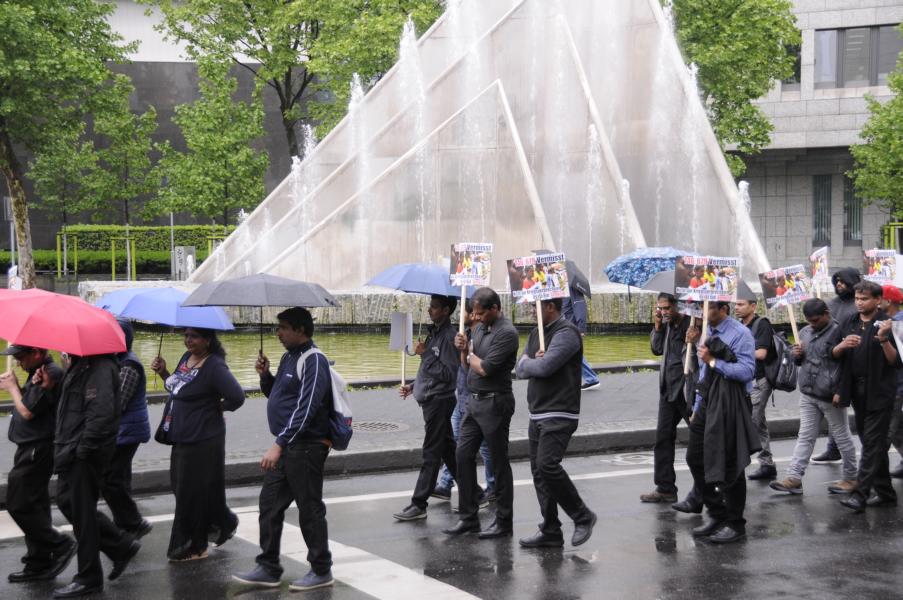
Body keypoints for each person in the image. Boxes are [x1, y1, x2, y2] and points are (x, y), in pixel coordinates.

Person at [232, 307, 335, 591]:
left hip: (306, 447)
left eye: (284, 328)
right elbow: (280, 395)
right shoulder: (289, 357)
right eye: (278, 328)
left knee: (309, 508)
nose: (278, 333)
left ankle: (321, 570)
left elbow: (307, 408)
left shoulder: (314, 360)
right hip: (289, 445)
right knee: (269, 504)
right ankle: (268, 567)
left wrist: (278, 443)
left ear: (300, 330)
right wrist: (266, 376)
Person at [151, 327, 245, 561]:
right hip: (181, 433)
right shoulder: (187, 358)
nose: (188, 340)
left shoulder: (214, 366)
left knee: (190, 492)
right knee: (181, 486)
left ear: (208, 340)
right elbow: (178, 387)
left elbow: (237, 396)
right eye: (186, 336)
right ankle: (224, 521)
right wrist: (164, 373)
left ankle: (194, 546)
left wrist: (217, 407)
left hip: (204, 438)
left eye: (194, 336)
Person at [53, 351, 141, 598]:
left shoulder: (100, 367)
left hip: (83, 452)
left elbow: (101, 413)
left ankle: (89, 577)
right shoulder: (81, 364)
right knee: (68, 502)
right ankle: (120, 545)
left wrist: (83, 450)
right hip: (71, 449)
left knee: (83, 515)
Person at [515, 299, 597, 548]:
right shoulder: (536, 333)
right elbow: (519, 369)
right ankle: (550, 530)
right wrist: (532, 363)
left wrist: (533, 363)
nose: (531, 311)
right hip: (537, 412)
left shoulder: (567, 333)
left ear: (550, 306)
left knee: (547, 465)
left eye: (535, 306)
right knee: (539, 473)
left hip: (559, 412)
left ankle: (583, 516)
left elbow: (544, 367)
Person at [444, 287, 519, 539]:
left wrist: (472, 356)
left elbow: (486, 368)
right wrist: (463, 350)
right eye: (474, 313)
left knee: (498, 461)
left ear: (495, 309)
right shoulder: (477, 329)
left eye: (480, 313)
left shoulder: (507, 333)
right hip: (473, 402)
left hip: (495, 403)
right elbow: (467, 365)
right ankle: (468, 518)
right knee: (462, 455)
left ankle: (504, 521)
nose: (475, 317)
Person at [0, 345, 76, 583]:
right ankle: (38, 561)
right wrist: (21, 385)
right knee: (35, 504)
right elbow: (32, 403)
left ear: (36, 352)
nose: (18, 362)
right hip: (30, 446)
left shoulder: (51, 372)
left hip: (38, 447)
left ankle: (59, 544)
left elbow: (28, 412)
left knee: (18, 503)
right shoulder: (39, 371)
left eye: (21, 357)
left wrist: (12, 388)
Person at [684, 301, 758, 544]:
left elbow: (746, 371)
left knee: (731, 463)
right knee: (695, 458)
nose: (702, 312)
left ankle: (735, 523)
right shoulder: (707, 330)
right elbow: (703, 373)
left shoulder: (740, 333)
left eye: (707, 307)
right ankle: (717, 512)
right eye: (700, 307)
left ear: (723, 308)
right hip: (707, 402)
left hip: (731, 403)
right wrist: (697, 406)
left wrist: (714, 361)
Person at [769, 299, 858, 495]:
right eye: (809, 321)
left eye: (816, 320)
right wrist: (797, 354)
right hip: (808, 392)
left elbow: (847, 366)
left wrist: (841, 392)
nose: (812, 324)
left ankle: (851, 477)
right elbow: (802, 361)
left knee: (842, 437)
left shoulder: (839, 332)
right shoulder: (805, 332)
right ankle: (794, 477)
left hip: (830, 394)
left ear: (827, 313)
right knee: (805, 436)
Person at [832, 281, 899, 513]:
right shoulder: (850, 321)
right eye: (857, 299)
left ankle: (860, 495)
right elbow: (833, 352)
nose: (859, 303)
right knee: (872, 444)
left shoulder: (888, 323)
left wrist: (883, 339)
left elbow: (895, 361)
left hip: (880, 392)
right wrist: (843, 345)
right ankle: (886, 492)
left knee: (871, 445)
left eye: (865, 299)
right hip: (856, 391)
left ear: (878, 300)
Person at [393, 295, 461, 521]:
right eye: (430, 306)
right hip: (430, 399)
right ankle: (475, 493)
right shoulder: (434, 333)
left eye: (434, 307)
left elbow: (449, 374)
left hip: (439, 402)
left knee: (431, 452)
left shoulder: (450, 337)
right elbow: (430, 371)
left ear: (446, 310)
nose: (430, 310)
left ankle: (419, 503)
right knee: (448, 450)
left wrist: (425, 354)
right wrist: (414, 386)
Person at [640, 293, 702, 512]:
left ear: (678, 306)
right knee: (663, 437)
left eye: (667, 308)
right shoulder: (666, 324)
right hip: (668, 389)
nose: (663, 312)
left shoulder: (692, 323)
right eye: (660, 308)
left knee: (701, 440)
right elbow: (657, 349)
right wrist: (657, 326)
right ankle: (665, 487)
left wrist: (696, 339)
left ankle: (709, 488)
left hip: (687, 390)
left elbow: (703, 353)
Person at [434, 299, 496, 506]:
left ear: (474, 314)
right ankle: (446, 483)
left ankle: (492, 486)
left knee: (484, 447)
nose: (461, 316)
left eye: (465, 312)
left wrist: (466, 351)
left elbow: (481, 368)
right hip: (461, 397)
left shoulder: (485, 337)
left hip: (478, 399)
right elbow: (458, 366)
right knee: (455, 443)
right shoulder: (462, 335)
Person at [101, 320, 152, 539]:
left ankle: (134, 522)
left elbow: (118, 401)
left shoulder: (129, 365)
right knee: (119, 478)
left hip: (127, 431)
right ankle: (125, 523)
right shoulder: (117, 360)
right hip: (122, 430)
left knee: (110, 479)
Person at [813, 267, 862, 463]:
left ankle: (873, 454)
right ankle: (833, 448)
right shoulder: (831, 305)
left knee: (864, 412)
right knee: (835, 409)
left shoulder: (859, 305)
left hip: (857, 363)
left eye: (843, 281)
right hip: (834, 361)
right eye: (837, 281)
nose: (839, 284)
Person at [734, 298, 777, 481]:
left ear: (753, 306)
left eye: (741, 304)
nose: (736, 308)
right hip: (744, 380)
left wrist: (735, 352)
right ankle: (767, 464)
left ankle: (739, 463)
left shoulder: (762, 324)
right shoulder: (737, 325)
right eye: (735, 304)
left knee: (752, 422)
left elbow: (761, 353)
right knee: (758, 423)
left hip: (759, 380)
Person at [878, 285, 903, 479]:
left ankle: (871, 478)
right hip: (890, 384)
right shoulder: (884, 322)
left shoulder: (898, 324)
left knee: (886, 433)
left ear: (889, 301)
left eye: (880, 298)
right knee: (896, 431)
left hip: (898, 385)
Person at [562, 285, 600, 391]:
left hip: (570, 326)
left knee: (571, 352)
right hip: (563, 325)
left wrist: (581, 328)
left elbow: (580, 306)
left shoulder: (573, 287)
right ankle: (589, 379)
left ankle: (591, 379)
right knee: (569, 353)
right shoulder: (561, 287)